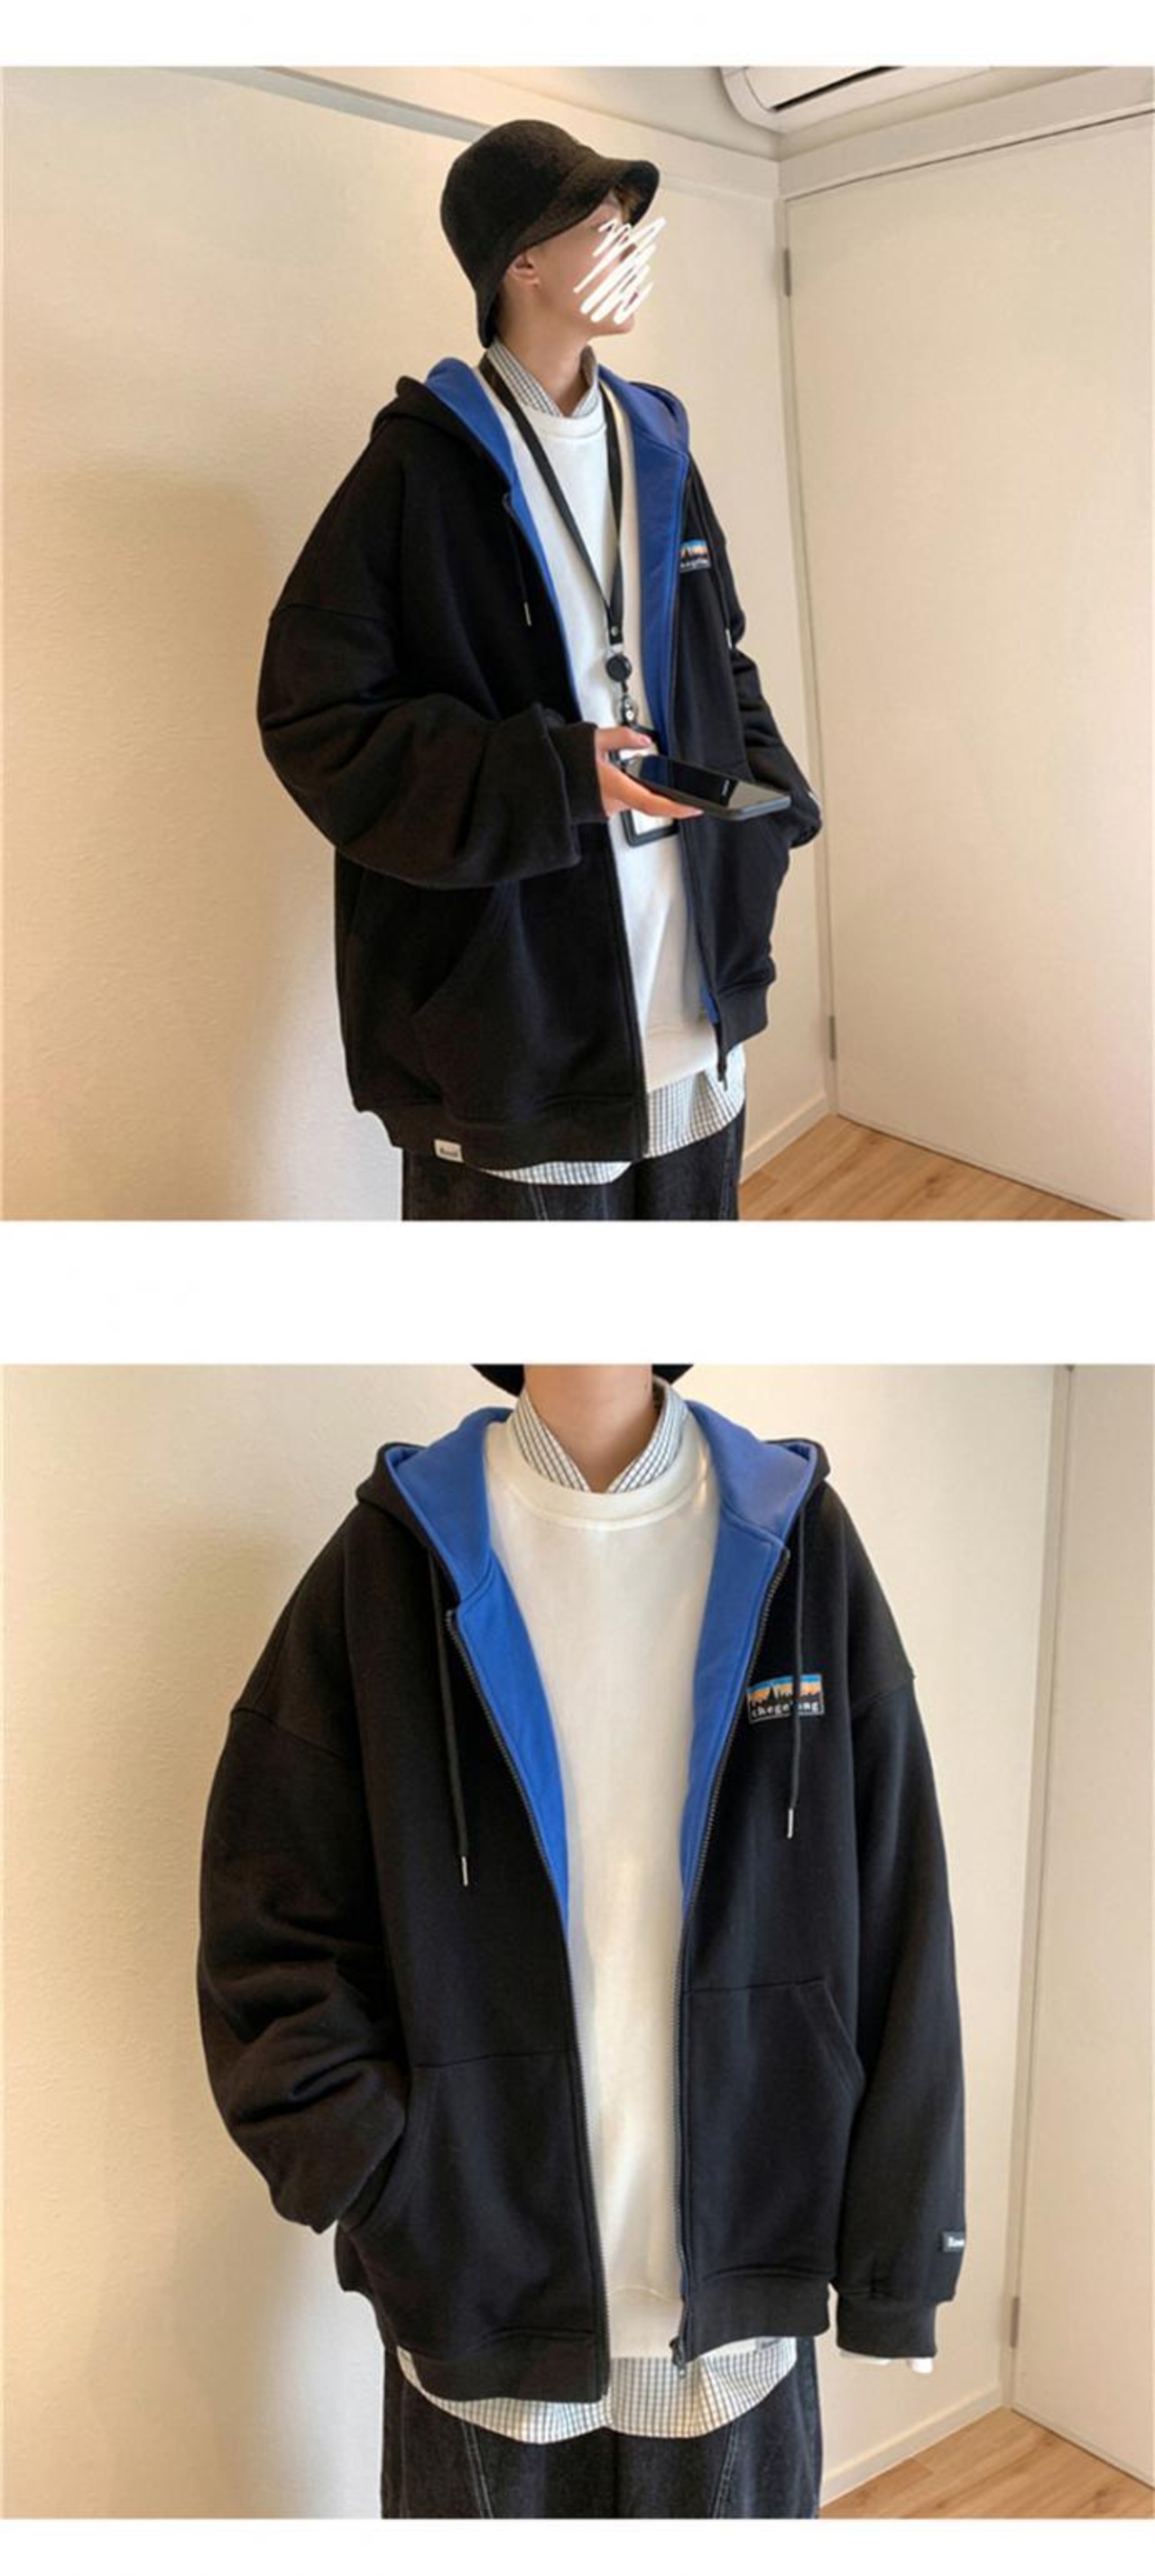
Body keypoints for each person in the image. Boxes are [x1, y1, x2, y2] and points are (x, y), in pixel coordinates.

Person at [196, 1366, 965, 2517]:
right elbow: (266, 1915)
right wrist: (381, 2173)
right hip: (477, 2322)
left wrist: (900, 2257)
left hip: (734, 2337)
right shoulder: (389, 1559)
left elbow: (899, 1909)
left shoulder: (797, 1544)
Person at [255, 122, 823, 1220]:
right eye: (605, 227)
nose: (632, 246)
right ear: (522, 262)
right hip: (520, 1018)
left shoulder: (656, 442)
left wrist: (768, 810)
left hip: (693, 976)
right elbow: (317, 719)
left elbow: (721, 654)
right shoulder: (419, 466)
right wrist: (552, 776)